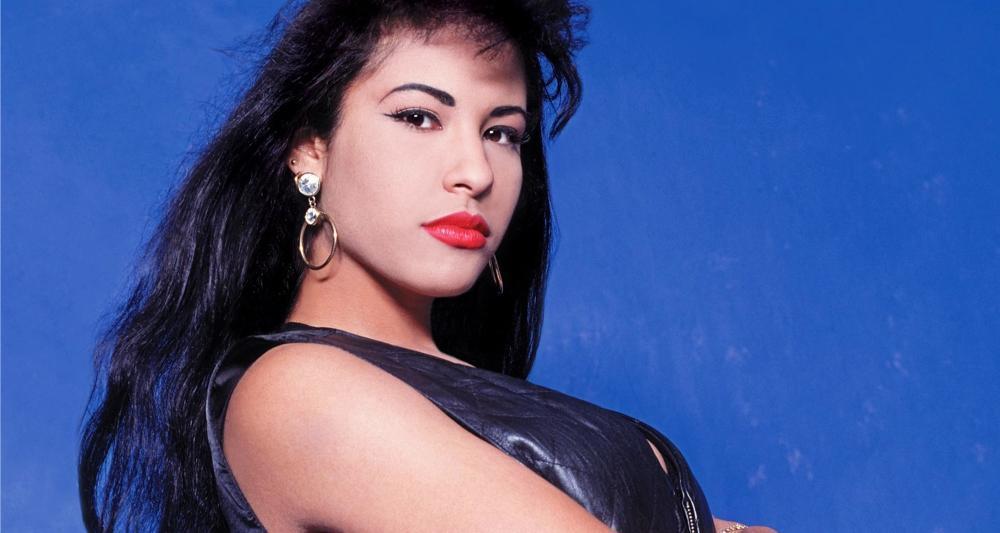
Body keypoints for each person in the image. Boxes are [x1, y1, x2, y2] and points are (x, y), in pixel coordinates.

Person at [78, 1, 775, 532]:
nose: (476, 171)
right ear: (310, 149)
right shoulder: (294, 392)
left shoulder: (445, 403)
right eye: (418, 117)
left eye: (502, 132)